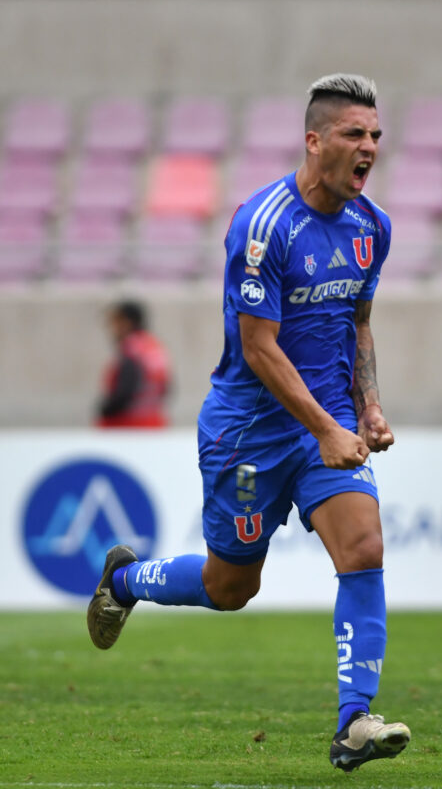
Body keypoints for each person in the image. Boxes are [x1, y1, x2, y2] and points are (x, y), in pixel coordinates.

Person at [86, 73, 410, 772]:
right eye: (355, 134)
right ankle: (124, 581)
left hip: (324, 428)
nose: (370, 147)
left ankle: (355, 721)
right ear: (314, 140)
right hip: (247, 435)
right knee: (231, 589)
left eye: (377, 135)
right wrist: (329, 426)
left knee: (364, 551)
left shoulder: (372, 229)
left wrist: (370, 405)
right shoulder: (263, 226)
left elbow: (358, 324)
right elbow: (259, 347)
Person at [96, 299, 171, 428]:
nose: (112, 329)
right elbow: (166, 388)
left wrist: (104, 410)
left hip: (127, 428)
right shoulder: (154, 346)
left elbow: (125, 392)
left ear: (126, 322)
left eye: (115, 322)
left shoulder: (131, 350)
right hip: (153, 424)